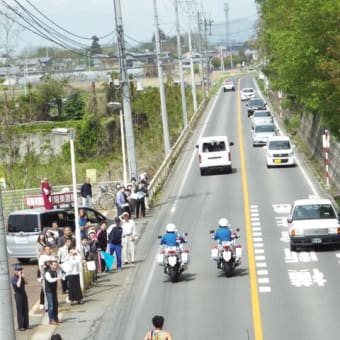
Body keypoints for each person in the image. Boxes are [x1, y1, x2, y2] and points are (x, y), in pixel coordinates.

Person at [11, 264, 29, 331]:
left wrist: (24, 277)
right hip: (18, 295)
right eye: (19, 270)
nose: (20, 271)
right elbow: (18, 285)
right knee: (20, 310)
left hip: (23, 293)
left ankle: (26, 325)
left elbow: (27, 283)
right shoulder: (13, 278)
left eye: (21, 270)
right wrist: (20, 277)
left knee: (25, 309)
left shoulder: (21, 277)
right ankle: (21, 326)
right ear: (15, 271)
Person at [44, 260, 62, 325]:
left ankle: (56, 318)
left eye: (56, 265)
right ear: (50, 265)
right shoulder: (47, 273)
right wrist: (57, 278)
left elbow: (60, 275)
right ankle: (51, 320)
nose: (55, 266)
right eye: (54, 265)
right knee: (51, 305)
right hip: (49, 291)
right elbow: (50, 280)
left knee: (55, 304)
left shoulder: (55, 271)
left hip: (54, 290)